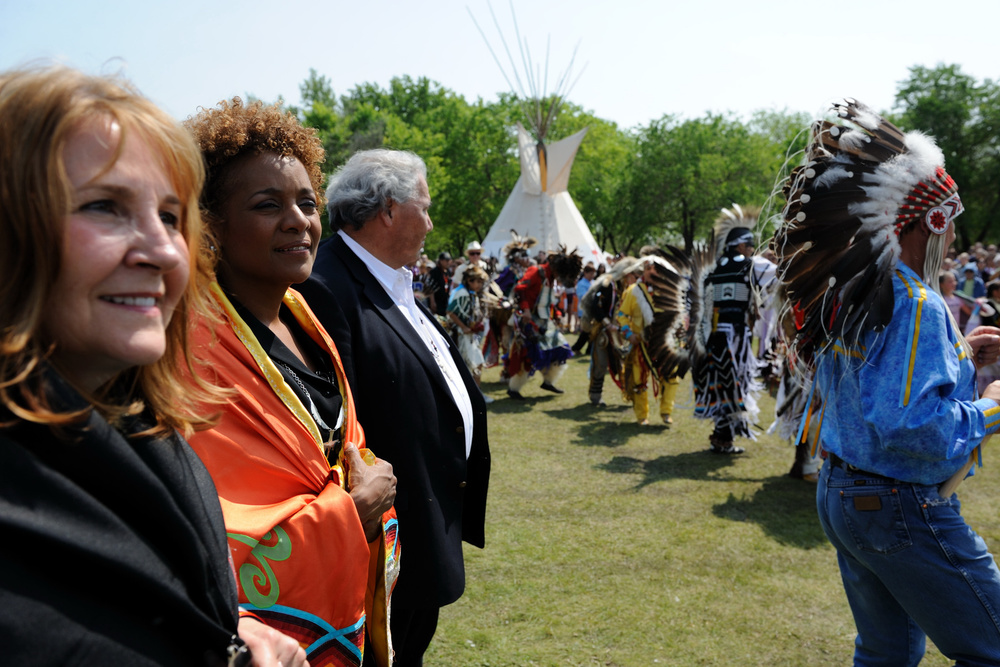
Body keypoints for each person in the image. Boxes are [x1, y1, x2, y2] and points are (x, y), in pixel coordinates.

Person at [0, 65, 305, 666]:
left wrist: (229, 634)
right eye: (105, 207)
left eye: (170, 216)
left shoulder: (146, 431)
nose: (164, 250)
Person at [773, 98, 1000, 664]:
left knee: (887, 652)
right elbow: (908, 426)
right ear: (934, 221)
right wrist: (993, 407)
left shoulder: (851, 291)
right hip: (893, 502)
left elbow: (865, 384)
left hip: (845, 492)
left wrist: (960, 356)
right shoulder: (916, 302)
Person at [184, 99, 399, 667]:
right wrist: (350, 513)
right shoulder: (190, 353)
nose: (298, 220)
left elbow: (333, 447)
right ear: (210, 221)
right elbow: (218, 530)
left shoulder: (305, 315)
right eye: (266, 205)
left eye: (307, 202)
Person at [298, 148, 491, 667]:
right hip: (385, 544)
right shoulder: (325, 288)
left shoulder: (392, 278)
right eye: (423, 208)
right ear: (387, 210)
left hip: (423, 524)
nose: (430, 222)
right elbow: (338, 430)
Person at [692, 205, 774, 454]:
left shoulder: (715, 268)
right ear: (740, 245)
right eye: (750, 246)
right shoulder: (751, 265)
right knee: (735, 381)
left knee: (722, 381)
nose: (752, 250)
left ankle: (722, 435)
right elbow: (781, 278)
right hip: (736, 336)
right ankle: (724, 437)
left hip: (714, 336)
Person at [505, 247, 582, 398]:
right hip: (529, 320)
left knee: (559, 348)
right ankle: (513, 388)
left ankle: (548, 381)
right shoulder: (536, 271)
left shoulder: (551, 277)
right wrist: (526, 310)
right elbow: (520, 289)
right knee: (527, 354)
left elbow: (547, 300)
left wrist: (557, 313)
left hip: (545, 320)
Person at [579, 257, 638, 406]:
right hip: (605, 331)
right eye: (633, 275)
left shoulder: (631, 288)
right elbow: (595, 307)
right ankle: (595, 395)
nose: (635, 278)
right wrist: (607, 324)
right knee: (601, 363)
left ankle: (631, 394)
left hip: (623, 332)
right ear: (626, 274)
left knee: (626, 363)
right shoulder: (608, 285)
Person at [447, 265, 492, 403]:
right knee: (475, 364)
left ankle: (474, 395)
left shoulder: (472, 294)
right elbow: (450, 311)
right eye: (475, 281)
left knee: (474, 364)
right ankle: (474, 396)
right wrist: (464, 327)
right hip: (461, 335)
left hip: (470, 336)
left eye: (480, 282)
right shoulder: (463, 294)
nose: (478, 285)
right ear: (468, 281)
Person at [570, 263, 597, 354]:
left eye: (593, 273)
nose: (592, 275)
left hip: (592, 311)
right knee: (586, 332)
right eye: (590, 273)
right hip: (584, 310)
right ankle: (576, 348)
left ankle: (589, 349)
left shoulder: (593, 282)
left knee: (590, 331)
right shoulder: (581, 284)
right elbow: (583, 297)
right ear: (585, 273)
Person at [426, 251, 453, 316]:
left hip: (445, 300)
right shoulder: (434, 271)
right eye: (447, 260)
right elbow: (430, 287)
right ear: (441, 261)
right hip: (436, 300)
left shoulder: (448, 271)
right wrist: (432, 302)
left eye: (449, 260)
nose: (448, 262)